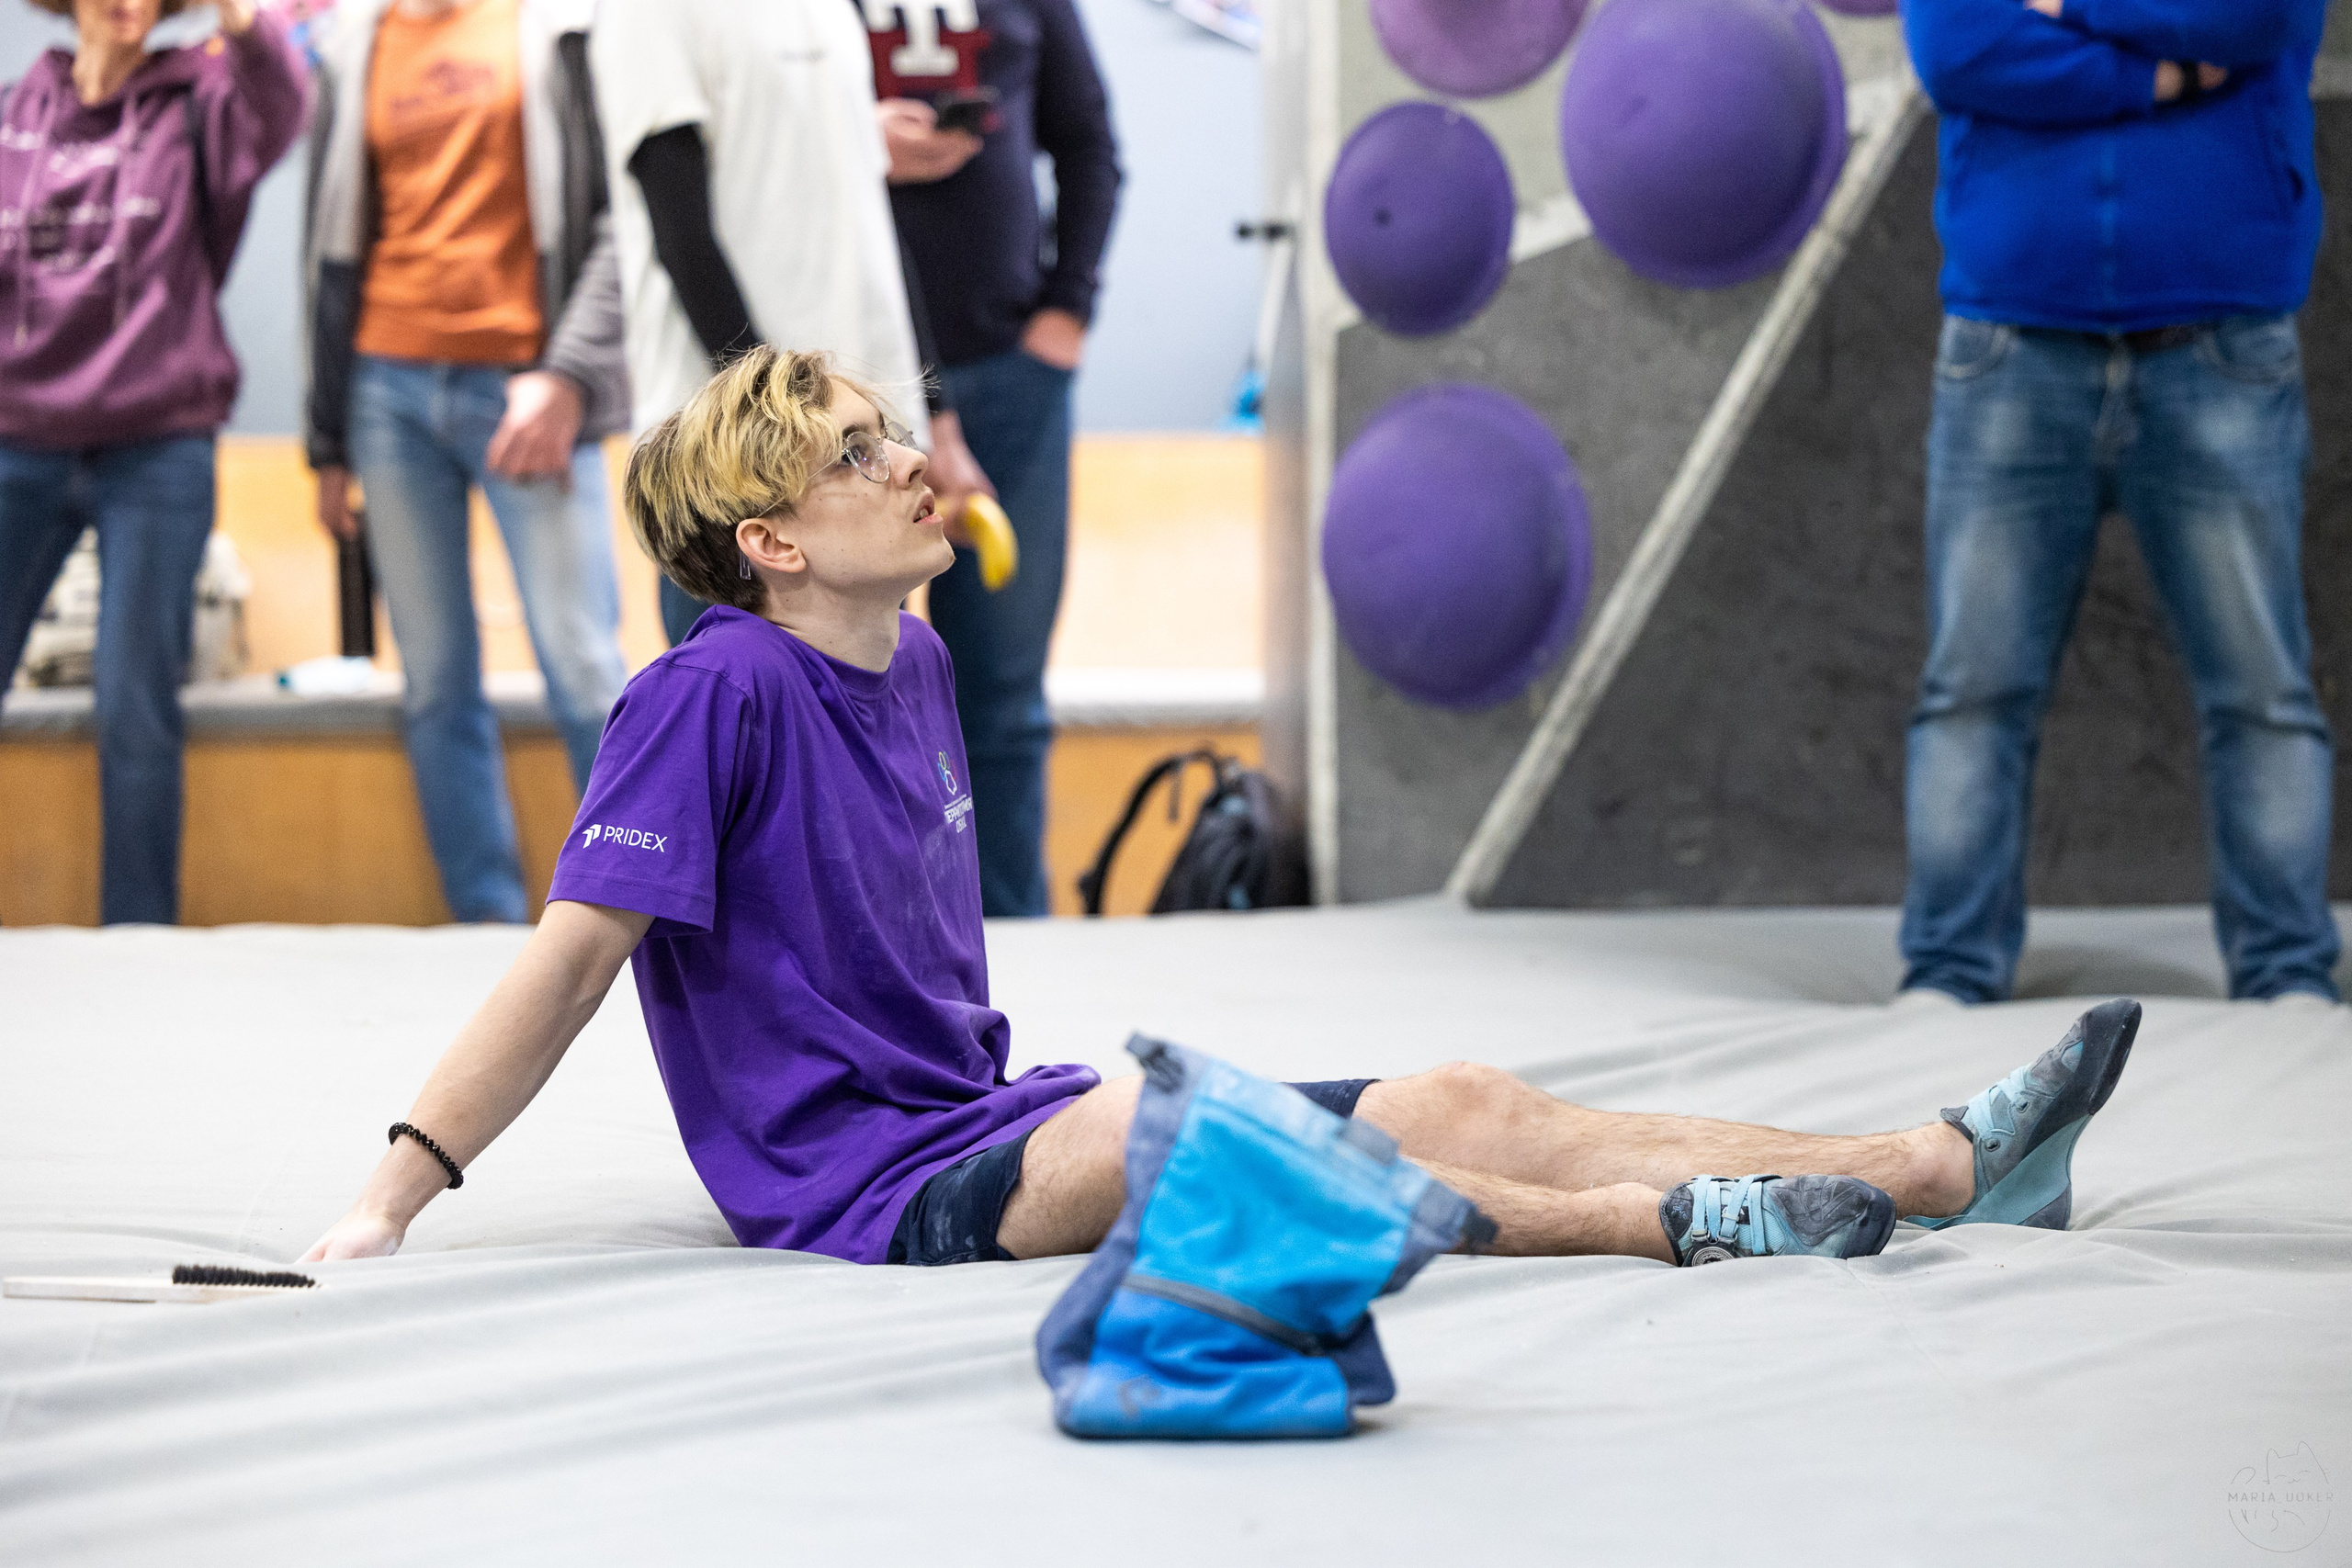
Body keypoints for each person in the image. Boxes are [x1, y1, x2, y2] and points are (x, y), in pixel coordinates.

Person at [304, 348, 2144, 1269]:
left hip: (988, 1109)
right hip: (862, 1182)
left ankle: (1934, 1161)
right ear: (770, 543)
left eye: (892, 428)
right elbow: (563, 968)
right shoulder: (701, 694)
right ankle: (1712, 1219)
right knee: (1243, 1146)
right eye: (854, 458)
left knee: (1455, 1097)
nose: (906, 460)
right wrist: (393, 1192)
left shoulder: (921, 659)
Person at [1899, 0, 2340, 1004]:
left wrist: (2070, 6)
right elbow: (1955, 45)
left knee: (2261, 693)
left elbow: (2248, 19)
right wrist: (2162, 73)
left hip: (2223, 337)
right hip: (2008, 342)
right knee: (1971, 693)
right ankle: (1947, 972)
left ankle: (2285, 972)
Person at [302, 0, 631, 924]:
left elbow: (620, 216)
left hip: (525, 385)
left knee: (584, 669)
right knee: (436, 680)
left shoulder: (562, 26)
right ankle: (483, 927)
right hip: (386, 389)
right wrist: (327, 437)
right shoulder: (354, 40)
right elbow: (325, 249)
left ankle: (633, 920)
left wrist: (566, 377)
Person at [0, 0, 307, 925]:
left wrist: (242, 19)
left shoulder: (201, 97)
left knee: (137, 705)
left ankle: (137, 935)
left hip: (157, 446)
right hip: (20, 439)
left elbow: (281, 108)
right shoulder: (16, 113)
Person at [586, 0, 992, 651]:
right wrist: (783, 439)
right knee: (738, 734)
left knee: (860, 735)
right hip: (739, 467)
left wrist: (934, 421)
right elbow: (684, 241)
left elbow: (871, 235)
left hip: (861, 457)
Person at [864, 0, 1123, 917]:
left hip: (1012, 378)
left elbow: (1089, 147)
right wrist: (852, 138)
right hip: (853, 386)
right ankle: (871, 942)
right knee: (845, 693)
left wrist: (1067, 315)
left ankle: (1014, 933)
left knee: (1003, 699)